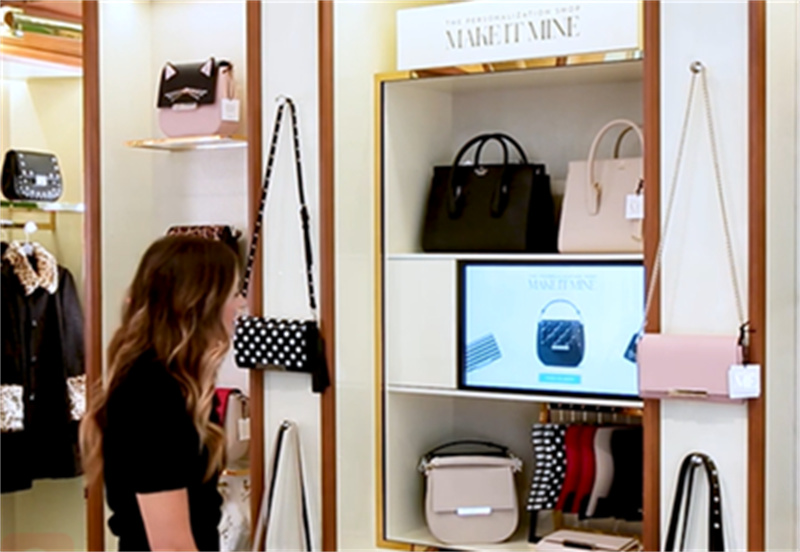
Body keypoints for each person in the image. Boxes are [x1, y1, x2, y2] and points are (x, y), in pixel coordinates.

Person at [80, 236, 246, 551]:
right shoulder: (153, 394)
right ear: (200, 302)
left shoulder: (179, 386)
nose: (242, 304)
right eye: (235, 292)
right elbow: (170, 545)